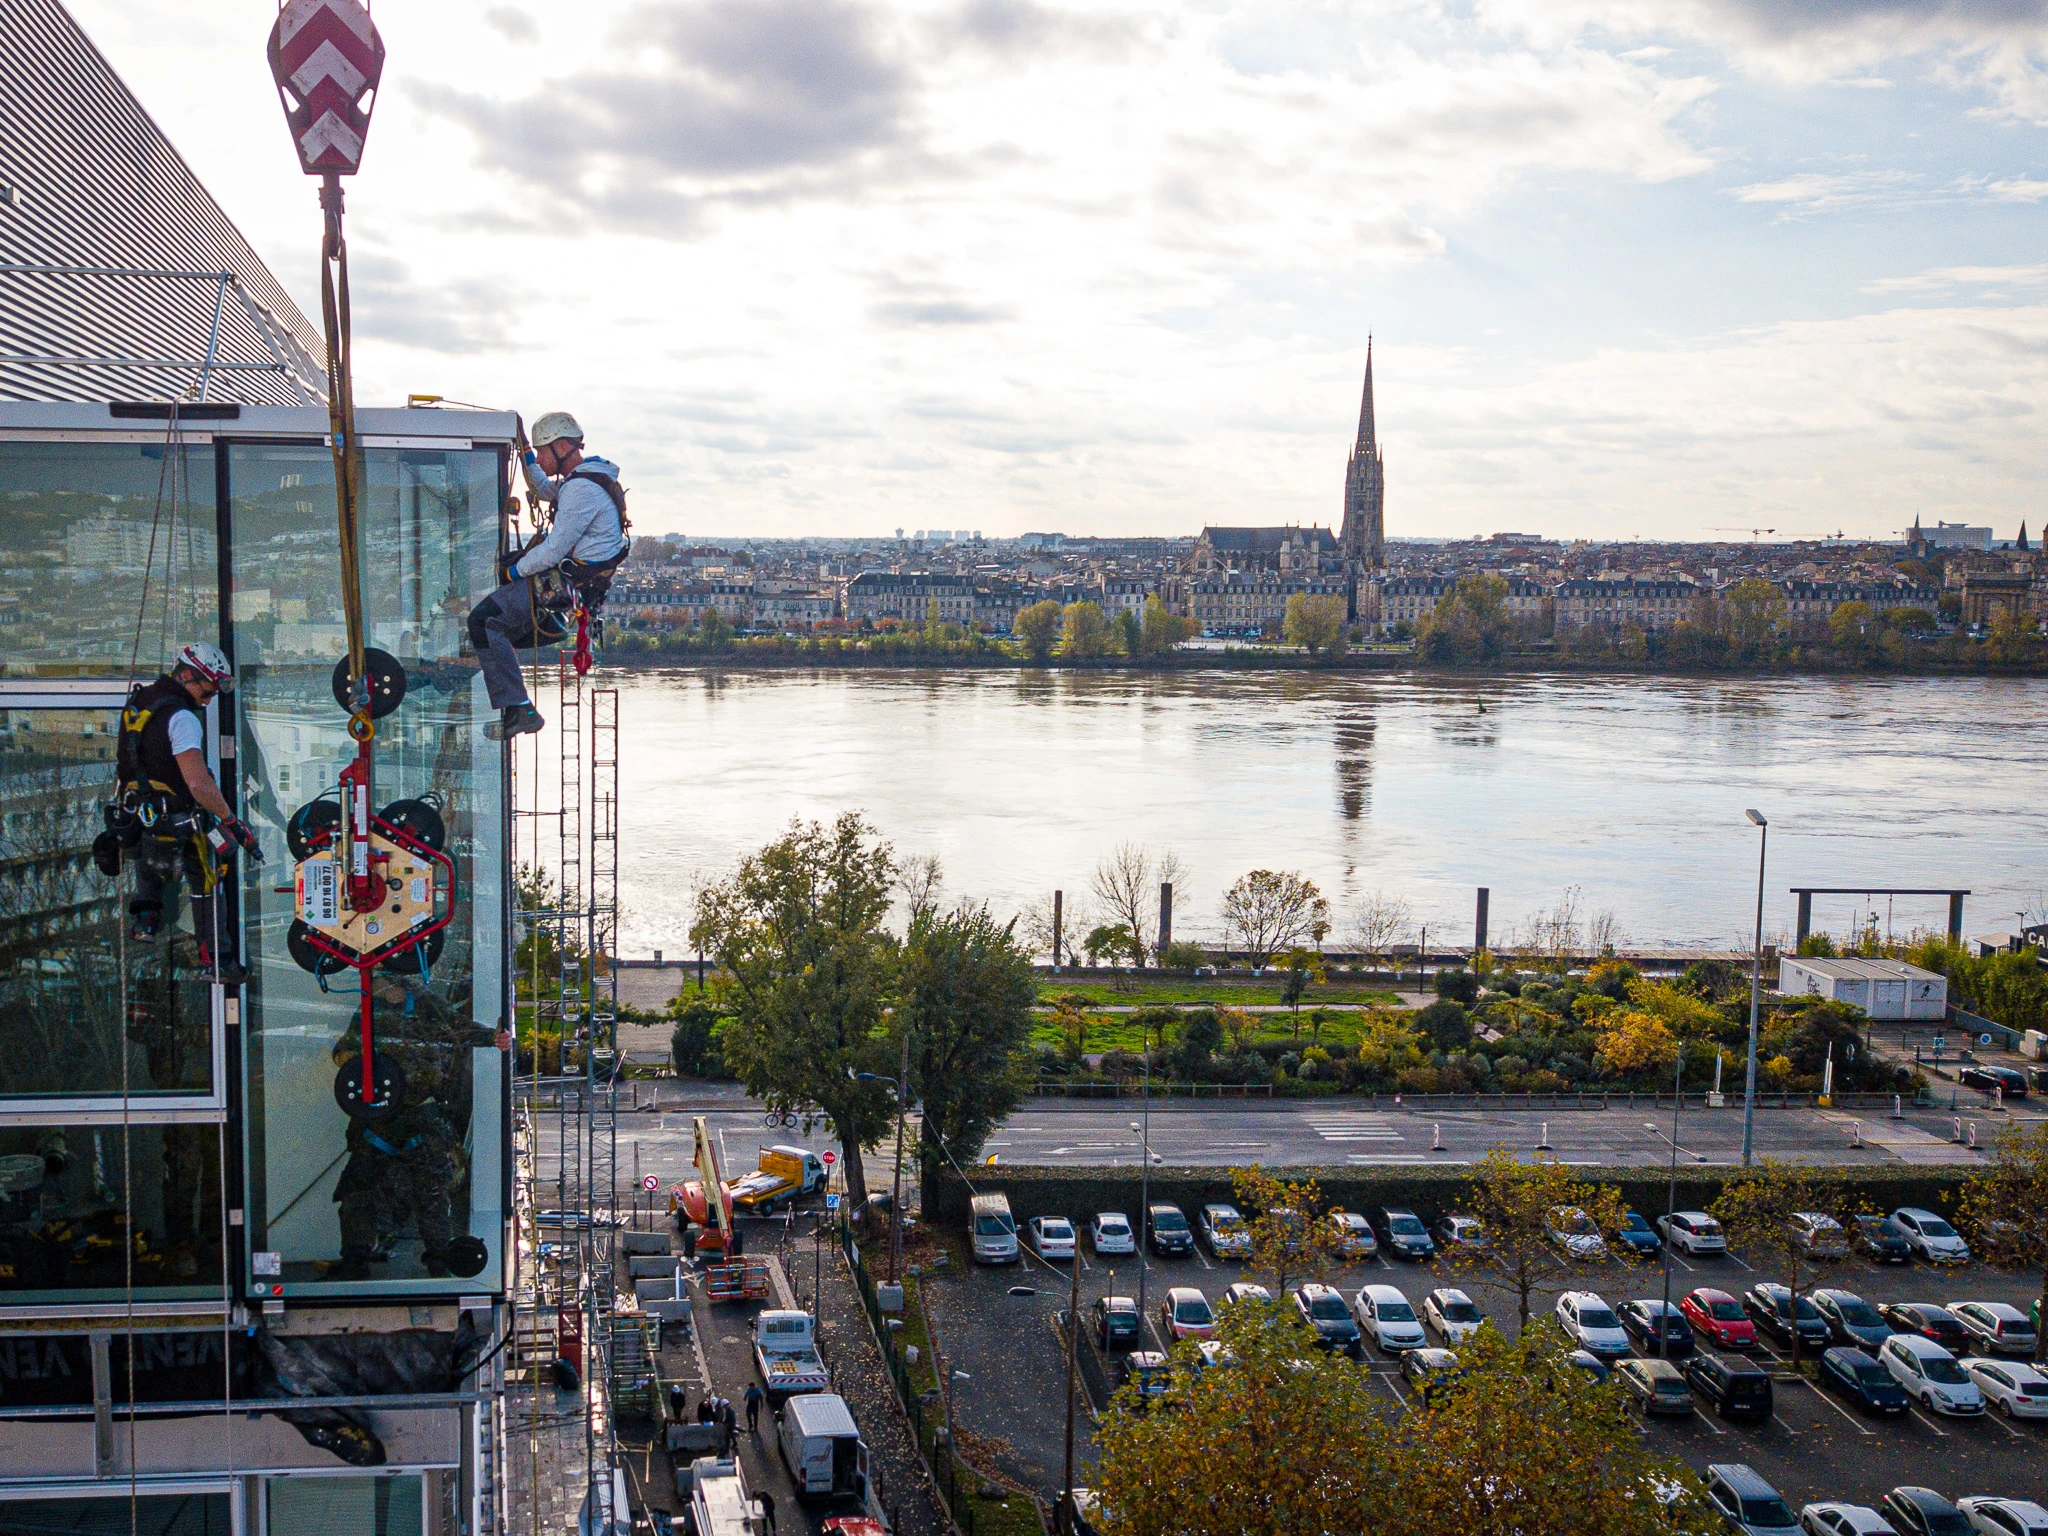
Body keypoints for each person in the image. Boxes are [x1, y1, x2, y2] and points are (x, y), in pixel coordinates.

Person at [329, 976, 512, 1281]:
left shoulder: (425, 1004)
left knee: (431, 1191)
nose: (373, 986)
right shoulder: (367, 1009)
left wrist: (492, 1038)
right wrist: (357, 1067)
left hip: (420, 1113)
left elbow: (457, 1027)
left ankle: (439, 1261)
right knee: (357, 1188)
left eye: (378, 981)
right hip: (376, 1116)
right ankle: (355, 1259)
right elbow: (344, 1050)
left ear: (394, 981)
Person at [466, 411, 628, 740]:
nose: (540, 457)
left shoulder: (582, 489)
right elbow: (542, 488)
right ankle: (512, 695)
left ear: (563, 446)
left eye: (543, 451)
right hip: (576, 582)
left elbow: (553, 551)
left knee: (484, 621)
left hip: (568, 582)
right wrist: (526, 452)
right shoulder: (585, 481)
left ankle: (520, 709)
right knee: (493, 627)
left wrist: (512, 572)